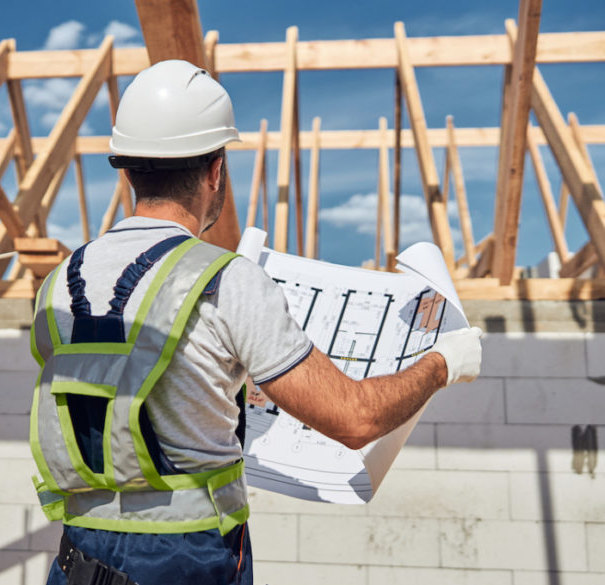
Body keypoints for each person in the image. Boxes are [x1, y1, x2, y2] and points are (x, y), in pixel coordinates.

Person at [28, 59, 483, 585]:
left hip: (78, 561)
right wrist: (441, 364)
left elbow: (119, 403)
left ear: (127, 170)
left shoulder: (60, 282)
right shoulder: (227, 280)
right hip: (186, 564)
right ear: (216, 169)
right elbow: (354, 419)